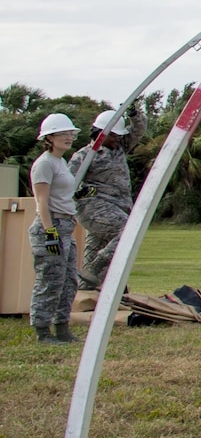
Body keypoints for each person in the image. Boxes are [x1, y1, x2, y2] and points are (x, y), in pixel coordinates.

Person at [73, 107, 146, 293]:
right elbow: (67, 183)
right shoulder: (84, 155)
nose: (117, 139)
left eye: (119, 136)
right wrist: (81, 191)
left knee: (95, 248)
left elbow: (138, 130)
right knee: (128, 231)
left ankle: (87, 293)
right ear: (100, 134)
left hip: (117, 208)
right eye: (113, 136)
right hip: (93, 208)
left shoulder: (120, 148)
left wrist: (134, 114)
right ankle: (97, 266)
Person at [28, 113, 81, 344]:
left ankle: (62, 327)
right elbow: (41, 202)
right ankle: (42, 331)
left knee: (68, 280)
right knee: (50, 280)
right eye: (63, 133)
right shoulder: (44, 164)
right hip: (51, 227)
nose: (69, 137)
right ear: (49, 138)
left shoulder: (60, 162)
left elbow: (65, 194)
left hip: (66, 226)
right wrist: (50, 234)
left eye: (71, 133)